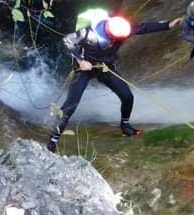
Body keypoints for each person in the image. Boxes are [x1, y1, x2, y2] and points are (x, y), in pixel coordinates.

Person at [47, 14, 181, 153]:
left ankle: (125, 126)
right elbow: (67, 41)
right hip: (84, 69)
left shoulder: (122, 29)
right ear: (109, 33)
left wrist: (168, 25)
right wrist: (81, 61)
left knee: (127, 96)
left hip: (105, 68)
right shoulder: (88, 33)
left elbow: (143, 27)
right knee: (70, 106)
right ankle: (53, 139)